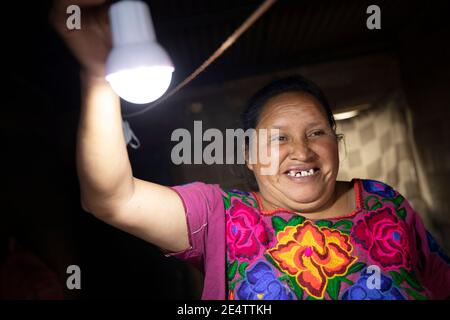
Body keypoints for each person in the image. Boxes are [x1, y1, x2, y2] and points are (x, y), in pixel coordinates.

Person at [51, 0, 450, 300]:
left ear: (336, 142)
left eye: (316, 133)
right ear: (249, 155)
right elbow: (111, 198)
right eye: (278, 138)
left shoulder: (385, 203)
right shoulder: (222, 217)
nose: (302, 152)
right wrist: (99, 75)